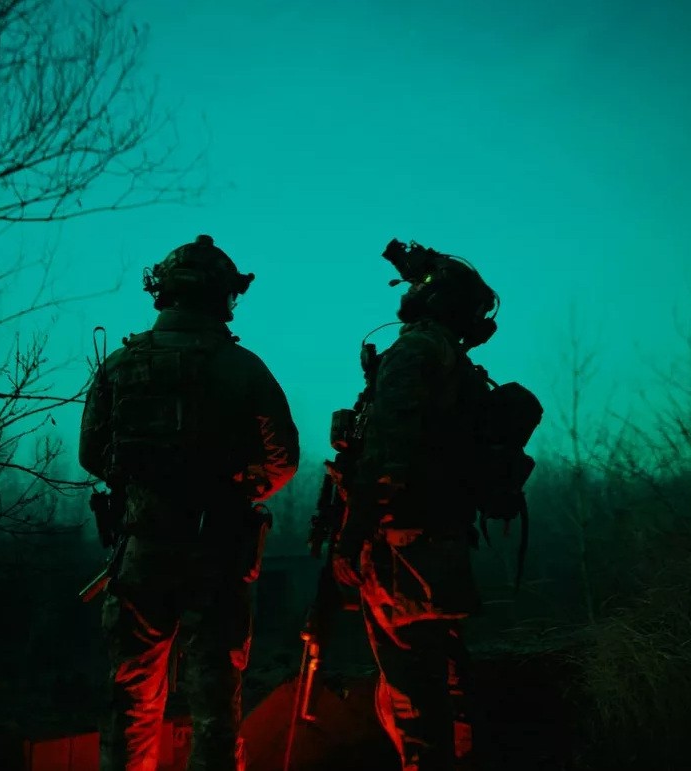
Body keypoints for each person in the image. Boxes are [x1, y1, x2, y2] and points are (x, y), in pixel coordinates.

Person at [78, 234, 300, 771]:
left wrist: (147, 491)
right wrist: (234, 492)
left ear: (164, 291)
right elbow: (283, 460)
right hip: (216, 554)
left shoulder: (119, 364)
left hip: (141, 554)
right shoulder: (243, 367)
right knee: (214, 704)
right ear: (222, 296)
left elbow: (91, 454)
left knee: (131, 697)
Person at [331, 239, 508, 771]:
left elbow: (390, 455)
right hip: (438, 541)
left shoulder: (416, 352)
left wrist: (353, 533)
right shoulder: (453, 360)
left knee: (412, 693)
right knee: (444, 680)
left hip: (401, 546)